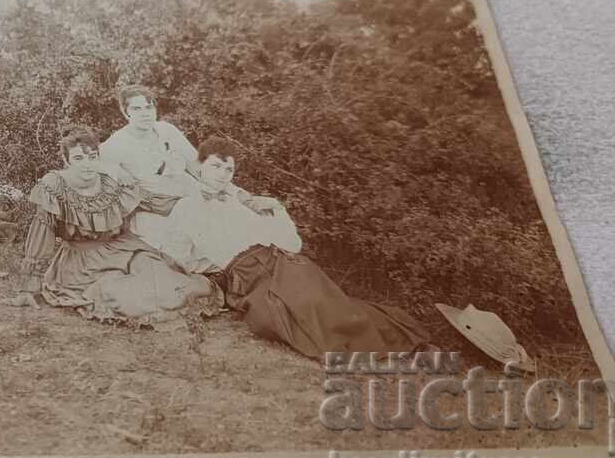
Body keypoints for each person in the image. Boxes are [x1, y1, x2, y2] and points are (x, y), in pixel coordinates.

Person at [162, 136, 430, 357]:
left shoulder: (240, 204)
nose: (222, 175)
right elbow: (178, 253)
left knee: (324, 301)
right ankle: (366, 347)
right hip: (246, 275)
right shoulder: (187, 208)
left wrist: (278, 210)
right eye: (216, 167)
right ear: (199, 168)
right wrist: (208, 275)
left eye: (229, 170)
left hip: (284, 262)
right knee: (285, 316)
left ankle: (400, 339)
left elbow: (292, 244)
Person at [8, 126, 221, 330]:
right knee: (125, 296)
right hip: (83, 262)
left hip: (123, 248)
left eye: (92, 157)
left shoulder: (108, 183)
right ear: (66, 160)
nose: (87, 164)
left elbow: (149, 201)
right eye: (78, 158)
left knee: (166, 279)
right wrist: (27, 287)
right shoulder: (54, 185)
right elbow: (41, 234)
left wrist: (196, 199)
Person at [98, 85, 202, 250]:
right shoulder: (116, 143)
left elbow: (196, 164)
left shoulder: (167, 130)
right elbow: (93, 164)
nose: (145, 113)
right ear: (126, 113)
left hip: (187, 190)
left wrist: (215, 185)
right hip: (156, 204)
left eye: (149, 107)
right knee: (178, 239)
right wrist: (116, 171)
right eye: (137, 108)